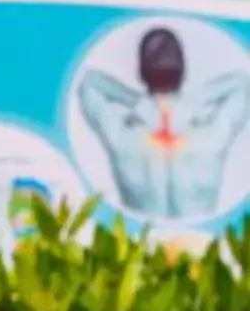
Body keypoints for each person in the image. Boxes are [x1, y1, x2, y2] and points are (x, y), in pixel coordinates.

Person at [77, 24, 250, 220]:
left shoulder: (123, 136)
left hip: (140, 244)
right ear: (183, 72)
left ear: (142, 73)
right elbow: (242, 83)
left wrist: (137, 102)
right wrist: (190, 103)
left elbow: (90, 83)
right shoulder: (210, 136)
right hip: (200, 243)